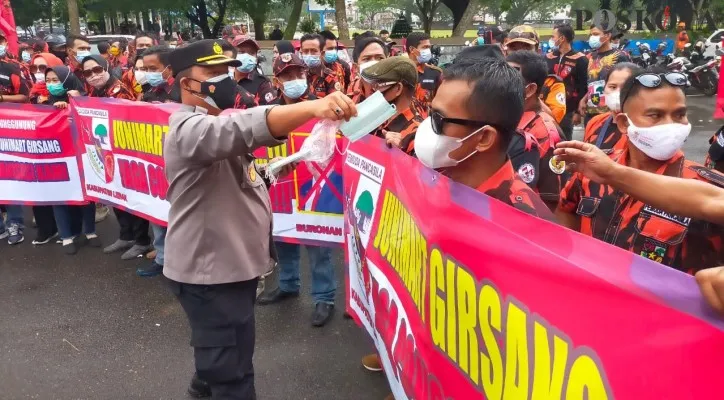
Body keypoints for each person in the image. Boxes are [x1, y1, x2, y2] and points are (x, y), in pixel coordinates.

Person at [163, 39, 357, 399]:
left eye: (226, 71)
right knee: (232, 377)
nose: (224, 80)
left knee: (223, 362)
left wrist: (284, 165)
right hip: (211, 278)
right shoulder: (186, 129)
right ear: (185, 83)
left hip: (230, 272)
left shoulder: (209, 124)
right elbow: (237, 131)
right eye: (212, 73)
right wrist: (314, 107)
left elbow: (240, 177)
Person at [556, 68, 723, 274]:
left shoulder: (707, 187)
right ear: (624, 123)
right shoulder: (593, 167)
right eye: (655, 115)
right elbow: (565, 214)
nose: (671, 125)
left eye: (679, 114)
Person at [258, 51, 338, 327]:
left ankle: (324, 297)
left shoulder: (322, 109)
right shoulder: (268, 112)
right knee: (282, 239)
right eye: (287, 76)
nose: (294, 80)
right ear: (277, 81)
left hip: (312, 187)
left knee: (317, 245)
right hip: (280, 188)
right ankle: (288, 284)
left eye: (299, 74)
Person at [44, 65, 101, 254]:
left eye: (56, 80)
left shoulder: (83, 97)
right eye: (48, 81)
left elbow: (92, 121)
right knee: (59, 196)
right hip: (56, 157)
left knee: (86, 195)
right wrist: (53, 111)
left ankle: (90, 231)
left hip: (80, 155)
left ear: (67, 80)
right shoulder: (43, 102)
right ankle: (66, 236)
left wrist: (75, 103)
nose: (52, 85)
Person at [507, 50, 565, 211]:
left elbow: (552, 199)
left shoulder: (547, 133)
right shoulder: (506, 116)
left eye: (509, 78)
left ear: (530, 89)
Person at [361, 56, 424, 155]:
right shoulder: (379, 118)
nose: (372, 91)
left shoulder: (418, 135)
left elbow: (418, 170)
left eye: (377, 86)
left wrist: (398, 154)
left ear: (398, 89)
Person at [505, 25, 567, 125]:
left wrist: (531, 96)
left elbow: (554, 120)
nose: (519, 53)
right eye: (514, 48)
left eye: (526, 48)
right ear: (506, 51)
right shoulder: (496, 80)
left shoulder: (551, 83)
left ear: (537, 50)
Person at [578, 24, 632, 126]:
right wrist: (583, 99)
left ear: (607, 36)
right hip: (592, 113)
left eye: (596, 34)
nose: (592, 38)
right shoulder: (591, 57)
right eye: (591, 35)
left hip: (611, 114)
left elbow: (629, 85)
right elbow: (592, 82)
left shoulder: (620, 56)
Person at [583, 62, 640, 151]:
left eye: (625, 87)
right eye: (612, 87)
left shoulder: (644, 128)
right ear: (604, 88)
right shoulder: (595, 122)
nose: (618, 93)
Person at [546, 23, 589, 140]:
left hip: (567, 110)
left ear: (562, 38)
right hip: (547, 107)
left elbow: (582, 86)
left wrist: (577, 112)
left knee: (563, 140)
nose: (551, 39)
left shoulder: (580, 59)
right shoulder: (548, 57)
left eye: (553, 36)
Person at [231, 35, 276, 105]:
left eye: (252, 53)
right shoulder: (226, 79)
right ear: (232, 55)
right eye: (241, 52)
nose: (247, 56)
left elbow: (268, 111)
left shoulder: (263, 83)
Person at [405, 32, 441, 109]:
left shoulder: (436, 73)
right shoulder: (400, 72)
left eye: (429, 47)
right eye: (425, 47)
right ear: (412, 49)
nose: (428, 51)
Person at [347, 36, 388, 104]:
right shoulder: (352, 91)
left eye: (380, 58)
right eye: (366, 59)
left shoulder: (398, 91)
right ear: (356, 68)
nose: (374, 64)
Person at [299, 34, 340, 98]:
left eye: (314, 51)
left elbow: (335, 102)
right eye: (306, 51)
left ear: (322, 54)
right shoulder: (298, 75)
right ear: (301, 53)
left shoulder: (329, 77)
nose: (309, 55)